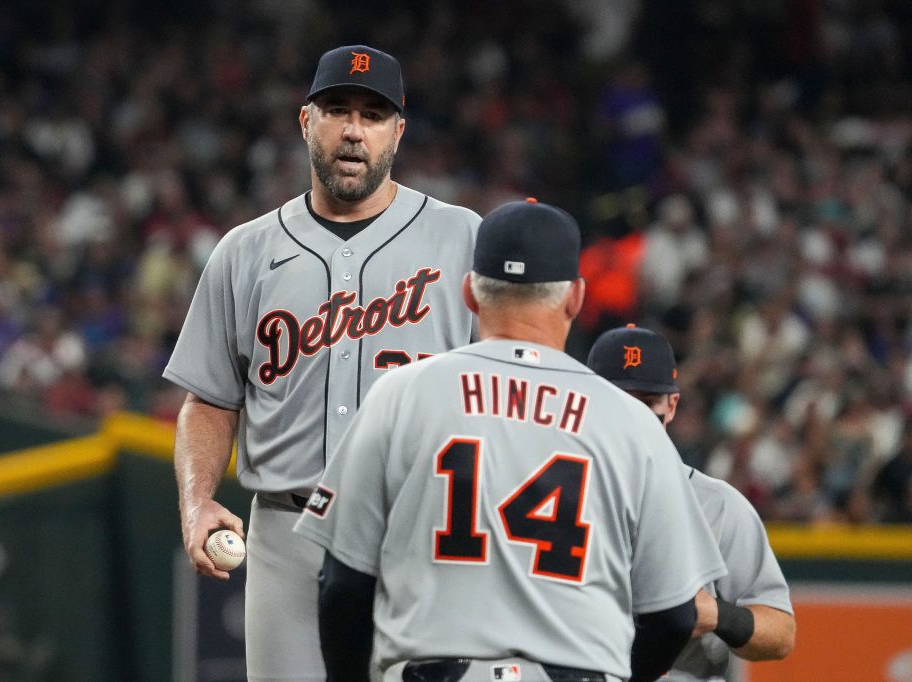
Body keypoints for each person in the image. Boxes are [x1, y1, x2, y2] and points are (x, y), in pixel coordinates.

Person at [294, 199, 727, 682]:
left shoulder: (401, 394)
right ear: (576, 297)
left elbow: (342, 586)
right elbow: (674, 616)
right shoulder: (632, 422)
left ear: (469, 293)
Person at [163, 45, 481, 681]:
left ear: (399, 130)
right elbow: (210, 401)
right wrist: (198, 500)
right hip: (287, 535)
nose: (354, 130)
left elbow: (514, 387)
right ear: (306, 120)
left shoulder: (464, 239)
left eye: (373, 114)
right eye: (338, 109)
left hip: (424, 535)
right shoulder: (244, 253)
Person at [587, 324, 796, 681]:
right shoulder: (555, 494)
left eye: (647, 402)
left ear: (671, 405)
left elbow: (780, 634)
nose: (634, 415)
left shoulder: (718, 506)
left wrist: (716, 614)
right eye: (618, 399)